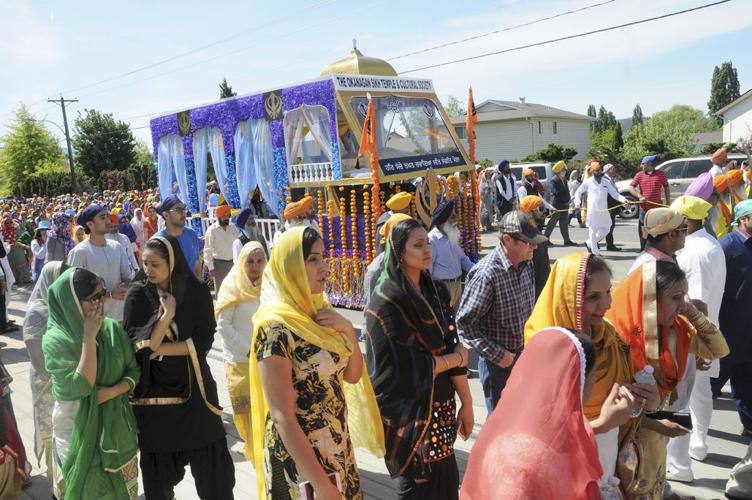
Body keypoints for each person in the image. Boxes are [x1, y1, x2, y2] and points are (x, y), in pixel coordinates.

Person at [249, 227, 383, 499]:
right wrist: (321, 484)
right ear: (290, 266)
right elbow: (282, 416)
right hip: (301, 461)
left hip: (336, 447)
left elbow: (353, 376)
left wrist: (347, 329)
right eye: (312, 259)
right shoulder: (275, 329)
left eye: (324, 257)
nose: (323, 266)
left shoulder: (321, 313)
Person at [525, 253, 658, 491]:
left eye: (608, 292)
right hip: (564, 467)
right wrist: (601, 425)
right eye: (593, 297)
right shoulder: (548, 350)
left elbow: (624, 388)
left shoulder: (608, 335)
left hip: (606, 457)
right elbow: (544, 435)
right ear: (568, 300)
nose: (607, 304)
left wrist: (645, 401)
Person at [366, 218, 472, 499]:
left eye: (427, 243)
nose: (427, 250)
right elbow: (405, 368)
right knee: (417, 487)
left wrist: (468, 403)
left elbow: (452, 342)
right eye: (418, 244)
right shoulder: (387, 301)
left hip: (443, 407)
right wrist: (453, 359)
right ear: (400, 252)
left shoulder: (436, 292)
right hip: (409, 415)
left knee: (447, 483)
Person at [124, 236, 235, 499]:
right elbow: (139, 348)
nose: (148, 270)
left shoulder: (195, 291)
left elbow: (204, 340)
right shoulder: (137, 294)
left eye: (155, 265)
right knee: (158, 481)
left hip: (195, 392)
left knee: (213, 471)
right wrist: (167, 316)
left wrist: (159, 347)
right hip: (154, 399)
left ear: (171, 263)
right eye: (144, 264)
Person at [607, 260, 729, 499]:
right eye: (675, 298)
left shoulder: (677, 330)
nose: (681, 305)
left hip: (657, 439)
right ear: (651, 300)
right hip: (623, 442)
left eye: (684, 296)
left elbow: (719, 350)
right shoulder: (617, 336)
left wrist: (692, 312)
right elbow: (607, 410)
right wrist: (654, 424)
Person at [461, 328, 602, 500]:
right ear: (575, 382)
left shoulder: (515, 430)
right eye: (595, 373)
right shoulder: (524, 462)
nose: (596, 382)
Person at [42, 267, 140, 499]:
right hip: (77, 431)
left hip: (117, 433)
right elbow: (80, 388)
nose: (103, 301)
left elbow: (134, 372)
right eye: (94, 298)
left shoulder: (112, 330)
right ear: (72, 302)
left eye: (103, 293)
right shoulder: (56, 340)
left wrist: (112, 392)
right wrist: (88, 338)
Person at [658, 196, 724, 485]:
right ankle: (698, 444)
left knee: (683, 397)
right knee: (698, 395)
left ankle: (682, 461)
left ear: (686, 221)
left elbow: (692, 301)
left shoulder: (694, 251)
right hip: (703, 330)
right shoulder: (710, 243)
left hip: (692, 332)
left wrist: (694, 345)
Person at [457, 211, 546, 415]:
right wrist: (498, 355)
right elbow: (465, 324)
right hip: (497, 364)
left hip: (523, 354)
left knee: (523, 414)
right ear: (508, 240)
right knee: (500, 420)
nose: (535, 246)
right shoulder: (487, 274)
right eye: (528, 242)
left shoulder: (527, 263)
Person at [216, 241, 266, 460]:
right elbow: (223, 325)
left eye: (259, 261)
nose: (255, 267)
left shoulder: (270, 285)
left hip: (267, 359)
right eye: (250, 261)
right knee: (247, 414)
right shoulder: (232, 286)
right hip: (241, 361)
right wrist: (248, 350)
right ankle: (254, 453)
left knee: (269, 412)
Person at [23, 261, 67, 480]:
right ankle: (54, 482)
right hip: (47, 384)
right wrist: (61, 380)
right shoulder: (36, 312)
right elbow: (38, 361)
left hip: (66, 381)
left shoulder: (62, 305)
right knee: (52, 433)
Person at [713, 199, 752, 436]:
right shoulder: (726, 246)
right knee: (711, 383)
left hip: (749, 328)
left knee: (747, 381)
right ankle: (691, 429)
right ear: (743, 219)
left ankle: (749, 425)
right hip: (727, 328)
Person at [68, 205, 133, 322]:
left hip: (121, 316)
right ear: (90, 224)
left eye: (107, 216)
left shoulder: (116, 246)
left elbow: (127, 276)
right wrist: (110, 295)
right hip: (95, 320)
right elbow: (74, 290)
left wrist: (125, 287)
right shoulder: (79, 252)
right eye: (103, 217)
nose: (108, 221)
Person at [428, 200, 474, 310]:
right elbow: (428, 270)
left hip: (457, 285)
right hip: (442, 288)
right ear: (443, 221)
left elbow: (463, 260)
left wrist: (480, 269)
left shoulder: (452, 234)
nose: (455, 221)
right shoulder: (431, 240)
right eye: (452, 218)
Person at [574, 162, 628, 255]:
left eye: (600, 170)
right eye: (597, 171)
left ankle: (590, 242)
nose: (599, 172)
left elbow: (615, 194)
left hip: (603, 211)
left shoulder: (605, 182)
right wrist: (577, 204)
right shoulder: (588, 182)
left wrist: (624, 200)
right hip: (593, 211)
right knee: (593, 230)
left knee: (607, 228)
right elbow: (578, 192)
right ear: (592, 172)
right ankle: (595, 252)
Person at [627, 154, 670, 250]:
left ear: (650, 164)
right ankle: (643, 249)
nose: (641, 166)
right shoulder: (639, 175)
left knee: (657, 230)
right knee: (643, 230)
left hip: (656, 209)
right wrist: (639, 196)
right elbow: (630, 187)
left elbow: (666, 187)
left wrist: (668, 201)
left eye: (643, 164)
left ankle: (656, 248)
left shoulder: (661, 174)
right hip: (644, 209)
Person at [155, 195, 202, 277]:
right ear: (166, 215)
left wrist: (201, 287)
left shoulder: (191, 234)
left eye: (184, 209)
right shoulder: (158, 241)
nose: (183, 213)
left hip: (193, 287)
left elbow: (196, 263)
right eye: (178, 210)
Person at [628, 207, 686, 274]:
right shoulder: (653, 268)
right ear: (672, 235)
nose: (686, 234)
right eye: (684, 229)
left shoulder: (657, 260)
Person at [519, 195, 551, 298]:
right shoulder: (527, 237)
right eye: (540, 209)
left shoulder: (536, 232)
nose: (544, 212)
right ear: (529, 212)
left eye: (544, 209)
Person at [204, 204, 238, 295]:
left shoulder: (233, 227)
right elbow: (208, 250)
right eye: (223, 216)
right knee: (222, 292)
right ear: (218, 216)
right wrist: (211, 268)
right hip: (219, 265)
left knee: (235, 291)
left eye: (227, 216)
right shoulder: (212, 230)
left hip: (233, 264)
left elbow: (238, 244)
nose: (226, 218)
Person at [544, 160, 576, 245]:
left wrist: (568, 200)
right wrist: (564, 202)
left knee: (564, 223)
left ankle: (567, 240)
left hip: (565, 205)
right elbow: (556, 193)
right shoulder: (554, 180)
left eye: (564, 169)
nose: (564, 171)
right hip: (557, 206)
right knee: (552, 223)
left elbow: (567, 192)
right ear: (559, 171)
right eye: (563, 169)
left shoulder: (564, 180)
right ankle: (545, 239)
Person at [3, 217, 32, 284]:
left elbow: (22, 237)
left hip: (18, 249)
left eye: (11, 222)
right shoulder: (2, 232)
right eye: (7, 223)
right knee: (12, 264)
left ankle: (25, 279)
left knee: (22, 263)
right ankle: (15, 280)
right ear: (4, 224)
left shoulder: (16, 230)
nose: (10, 224)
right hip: (9, 250)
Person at [602, 163, 623, 251]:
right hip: (608, 207)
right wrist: (607, 207)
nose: (614, 170)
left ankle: (609, 244)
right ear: (607, 170)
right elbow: (605, 196)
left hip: (612, 207)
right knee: (607, 227)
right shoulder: (604, 180)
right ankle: (593, 242)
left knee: (609, 226)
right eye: (612, 169)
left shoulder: (610, 179)